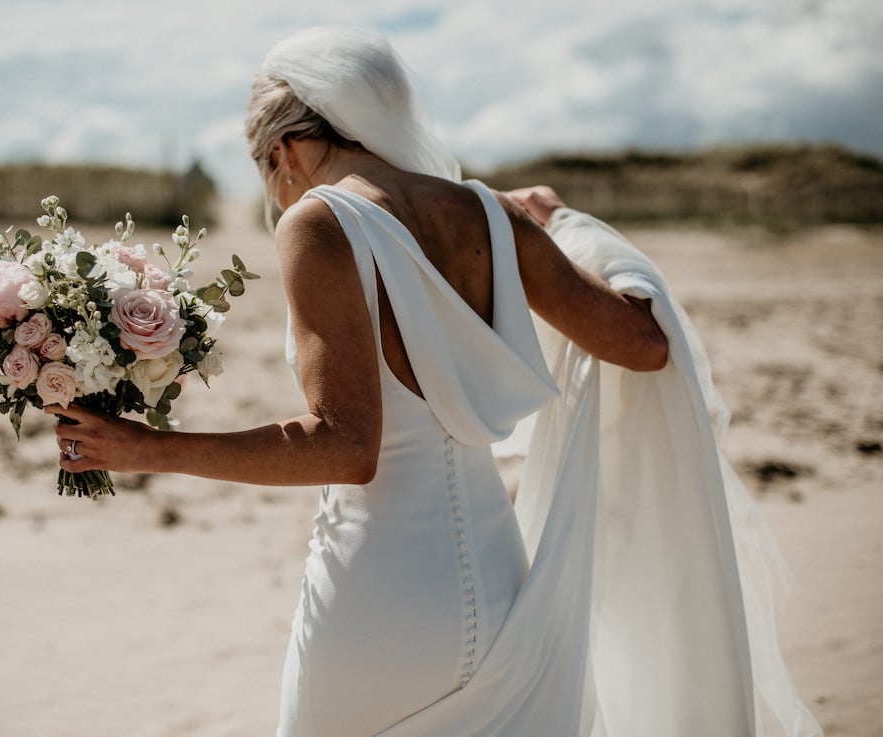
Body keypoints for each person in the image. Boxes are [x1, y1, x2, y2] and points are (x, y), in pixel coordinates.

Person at [49, 27, 821, 737]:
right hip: (502, 592)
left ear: (283, 148)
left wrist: (149, 449)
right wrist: (565, 231)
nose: (275, 195)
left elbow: (347, 446)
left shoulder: (317, 223)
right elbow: (645, 344)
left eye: (266, 172)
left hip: (379, 603)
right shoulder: (494, 216)